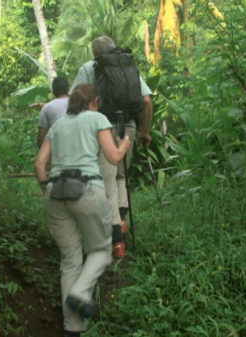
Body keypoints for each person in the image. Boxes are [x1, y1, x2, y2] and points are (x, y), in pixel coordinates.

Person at [34, 84, 130, 336]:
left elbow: (39, 163)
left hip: (55, 192)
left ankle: (72, 329)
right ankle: (79, 294)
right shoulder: (97, 118)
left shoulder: (58, 125)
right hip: (87, 189)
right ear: (94, 101)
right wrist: (125, 143)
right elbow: (113, 157)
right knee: (100, 250)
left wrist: (47, 189)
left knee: (70, 260)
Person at [69, 35, 154, 257]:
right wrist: (145, 131)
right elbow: (146, 101)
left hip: (103, 128)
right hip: (128, 127)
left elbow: (75, 101)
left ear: (94, 53)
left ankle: (117, 242)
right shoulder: (129, 65)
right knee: (121, 176)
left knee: (107, 181)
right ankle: (122, 220)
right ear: (115, 48)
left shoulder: (90, 67)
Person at [38, 76, 70, 148]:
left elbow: (41, 135)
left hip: (57, 151)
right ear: (68, 89)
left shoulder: (47, 108)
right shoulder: (78, 103)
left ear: (53, 91)